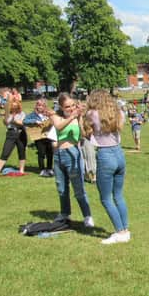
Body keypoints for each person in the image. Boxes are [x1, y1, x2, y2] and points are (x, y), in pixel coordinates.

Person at [84, 89, 130, 244]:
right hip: (119, 153)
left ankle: (120, 232)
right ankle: (125, 230)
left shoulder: (91, 114)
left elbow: (84, 131)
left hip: (105, 155)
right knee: (118, 195)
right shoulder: (118, 113)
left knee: (105, 198)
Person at [49, 93, 94, 228]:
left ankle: (87, 216)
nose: (71, 108)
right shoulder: (56, 116)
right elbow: (58, 127)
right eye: (67, 106)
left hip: (73, 154)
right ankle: (64, 213)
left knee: (78, 188)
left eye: (72, 105)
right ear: (61, 107)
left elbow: (83, 134)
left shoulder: (77, 117)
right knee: (61, 188)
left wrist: (80, 117)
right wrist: (72, 116)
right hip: (58, 155)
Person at [0, 98, 27, 175]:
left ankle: (21, 170)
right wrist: (6, 117)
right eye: (13, 106)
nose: (14, 107)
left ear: (19, 106)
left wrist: (14, 120)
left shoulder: (22, 113)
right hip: (11, 133)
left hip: (21, 133)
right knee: (5, 152)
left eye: (16, 106)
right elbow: (6, 123)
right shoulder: (8, 114)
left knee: (21, 151)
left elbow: (22, 123)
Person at [23, 98, 54, 177]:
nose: (40, 107)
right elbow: (25, 121)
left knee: (50, 153)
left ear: (45, 106)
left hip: (48, 135)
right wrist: (34, 121)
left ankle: (49, 168)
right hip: (38, 136)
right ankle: (42, 169)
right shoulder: (32, 115)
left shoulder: (48, 113)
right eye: (38, 105)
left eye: (42, 105)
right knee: (41, 153)